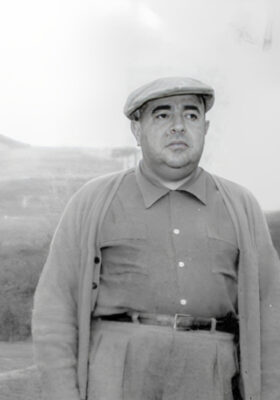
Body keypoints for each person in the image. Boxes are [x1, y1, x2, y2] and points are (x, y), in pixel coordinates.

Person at [32, 77, 280, 400]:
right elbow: (56, 309)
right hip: (115, 375)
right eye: (162, 115)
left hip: (211, 376)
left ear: (205, 128)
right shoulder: (93, 201)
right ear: (136, 130)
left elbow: (271, 317)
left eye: (191, 115)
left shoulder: (241, 206)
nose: (178, 126)